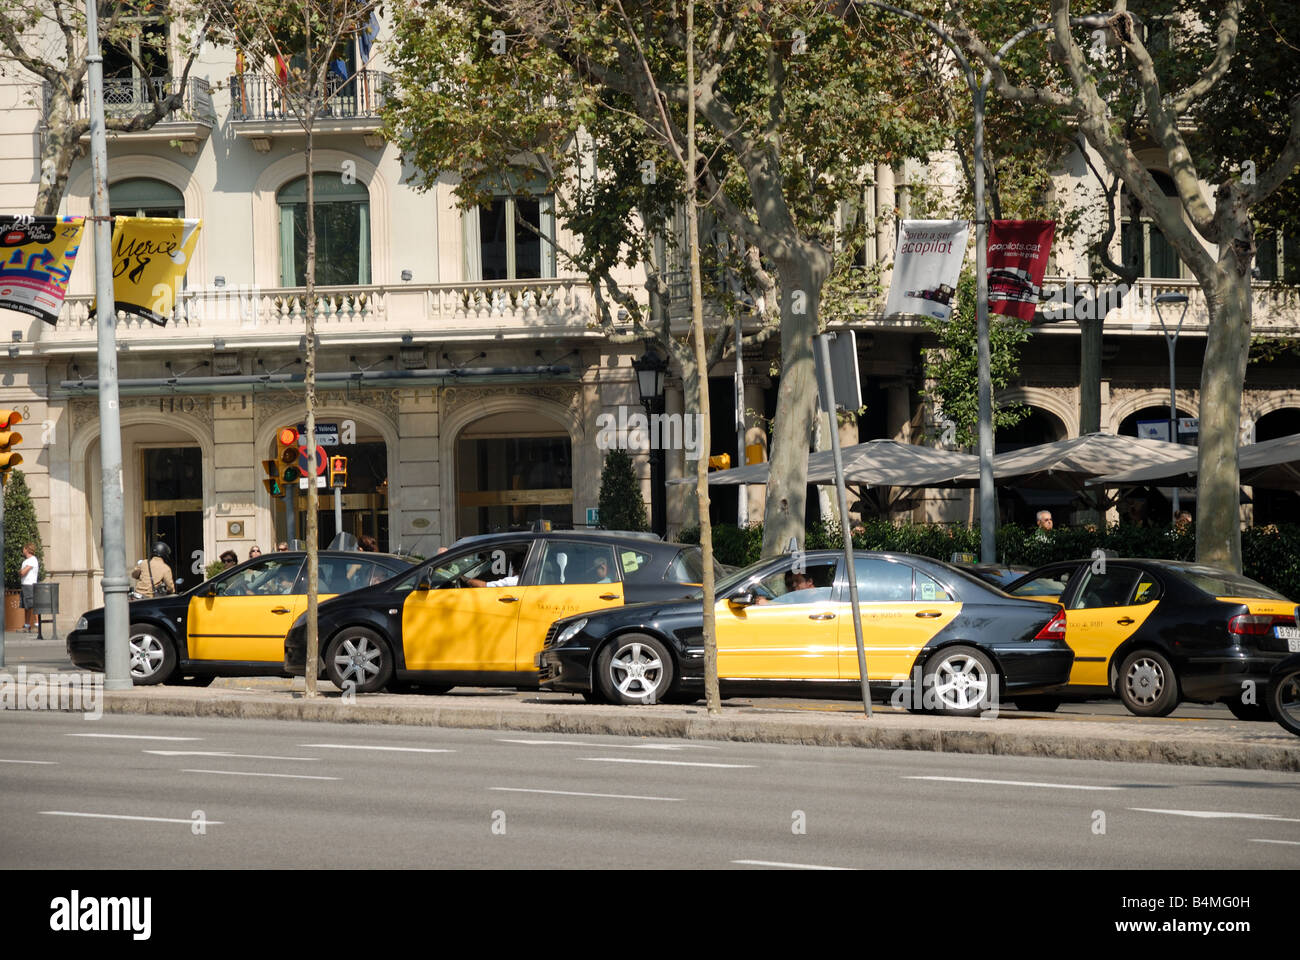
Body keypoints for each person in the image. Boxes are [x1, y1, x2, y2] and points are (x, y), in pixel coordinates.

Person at [19, 543, 38, 631]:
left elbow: (22, 572)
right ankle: (26, 625)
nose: (23, 550)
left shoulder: (33, 560)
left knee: (32, 605)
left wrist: (21, 571)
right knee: (26, 606)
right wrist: (21, 571)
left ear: (27, 549)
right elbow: (21, 572)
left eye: (23, 548)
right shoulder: (25, 561)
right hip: (25, 585)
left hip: (30, 585)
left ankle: (37, 625)